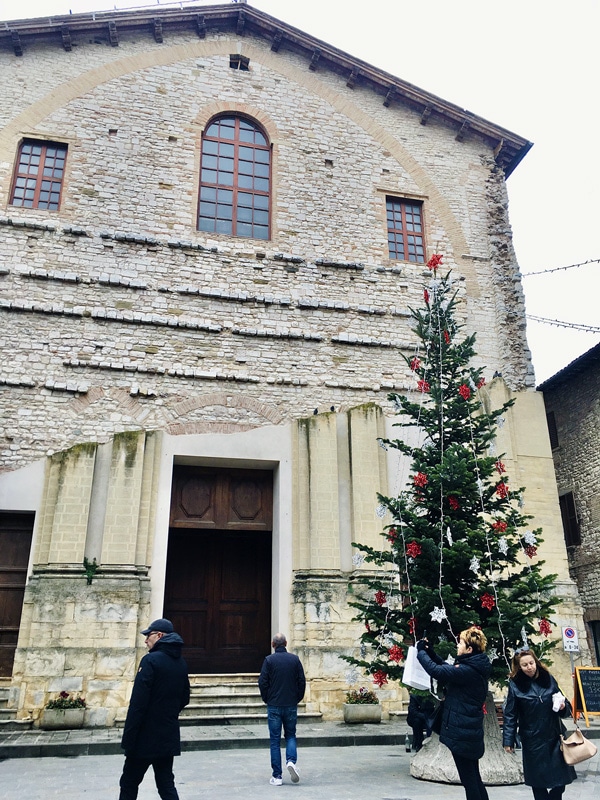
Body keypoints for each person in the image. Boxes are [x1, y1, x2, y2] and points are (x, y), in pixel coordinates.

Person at [118, 618, 191, 800]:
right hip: (167, 735)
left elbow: (138, 703)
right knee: (166, 784)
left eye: (148, 636)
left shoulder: (150, 660)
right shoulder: (180, 662)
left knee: (128, 782)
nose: (145, 641)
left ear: (159, 635)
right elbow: (185, 697)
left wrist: (129, 738)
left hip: (144, 737)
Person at [416, 626, 491, 800]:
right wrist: (431, 653)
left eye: (461, 643)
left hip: (463, 734)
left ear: (469, 649)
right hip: (468, 731)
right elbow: (446, 667)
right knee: (474, 778)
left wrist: (421, 652)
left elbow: (438, 671)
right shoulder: (472, 667)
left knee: (470, 781)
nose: (458, 646)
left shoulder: (468, 670)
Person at [502, 647, 576, 800]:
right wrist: (508, 740)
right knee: (538, 783)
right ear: (519, 667)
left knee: (560, 782)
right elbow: (510, 714)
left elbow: (566, 705)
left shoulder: (548, 678)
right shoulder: (515, 685)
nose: (529, 667)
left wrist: (563, 707)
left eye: (531, 663)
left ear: (536, 661)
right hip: (532, 740)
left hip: (554, 736)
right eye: (525, 665)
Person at [258, 633, 306, 786]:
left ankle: (277, 776)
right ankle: (291, 761)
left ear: (273, 644)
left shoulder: (269, 660)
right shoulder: (294, 660)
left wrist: (267, 698)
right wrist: (297, 698)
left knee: (275, 740)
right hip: (290, 704)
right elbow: (301, 681)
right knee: (291, 735)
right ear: (286, 643)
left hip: (274, 705)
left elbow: (262, 682)